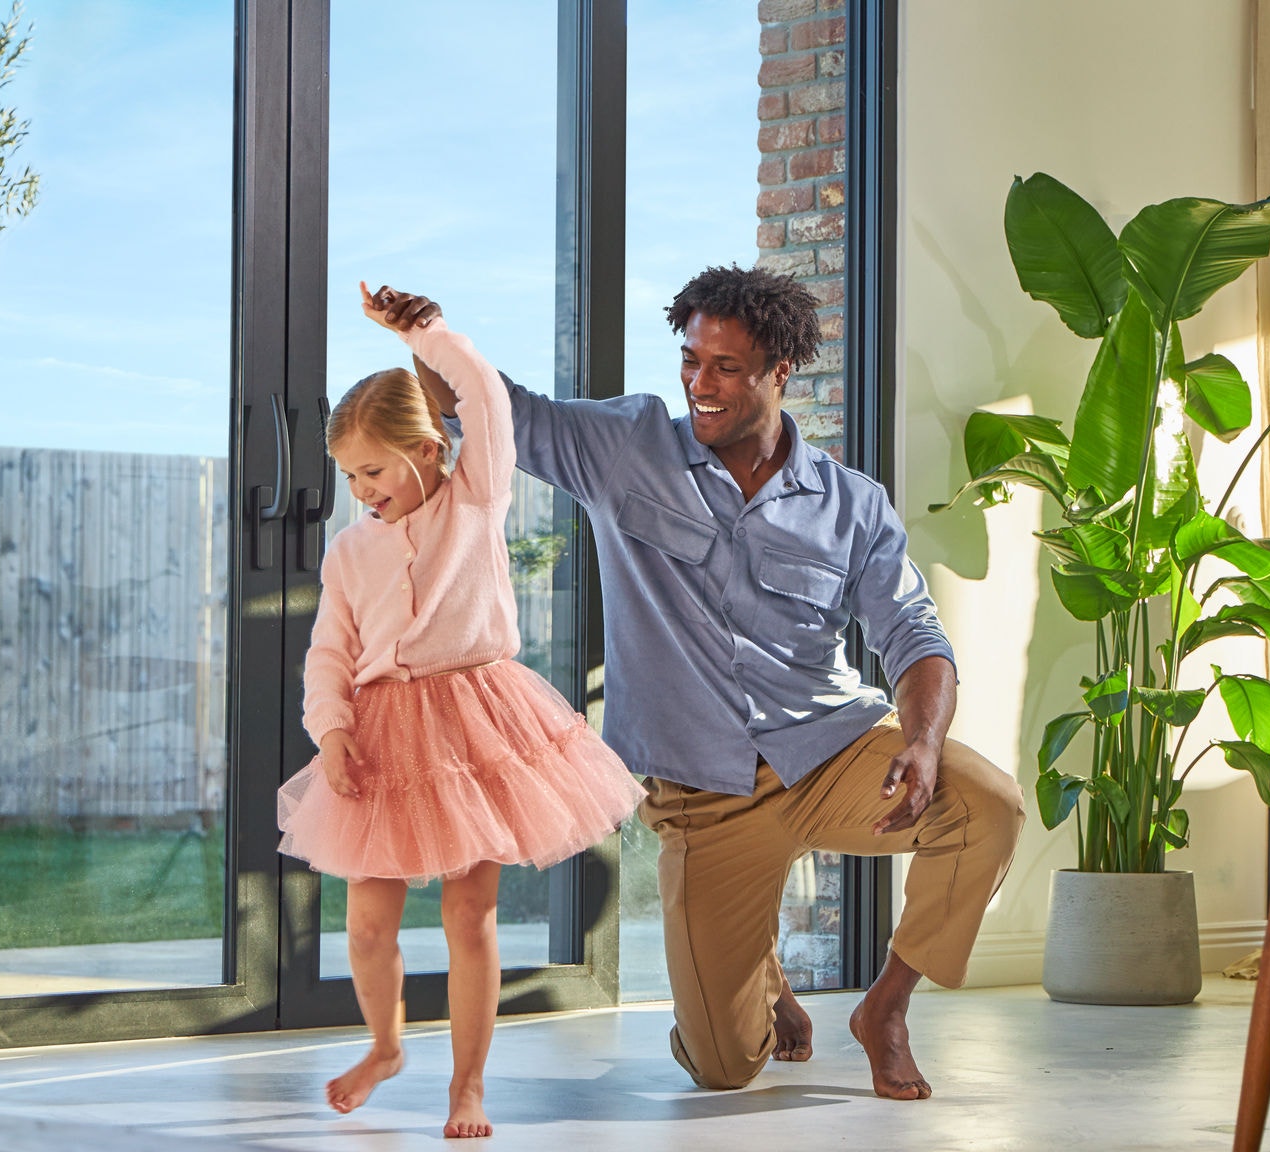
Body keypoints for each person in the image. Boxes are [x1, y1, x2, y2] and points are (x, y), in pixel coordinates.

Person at [399, 266, 1025, 1102]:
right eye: (691, 362)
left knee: (988, 807)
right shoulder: (628, 448)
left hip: (830, 753)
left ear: (778, 373)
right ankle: (762, 979)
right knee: (726, 1070)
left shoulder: (851, 505)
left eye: (727, 368)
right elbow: (486, 410)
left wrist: (922, 739)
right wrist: (427, 335)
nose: (700, 384)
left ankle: (885, 1010)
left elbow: (913, 634)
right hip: (703, 794)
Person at [277, 283, 645, 1139]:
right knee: (368, 926)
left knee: (467, 914)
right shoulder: (349, 553)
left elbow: (482, 397)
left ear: (424, 451)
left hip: (479, 721)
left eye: (372, 471)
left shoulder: (475, 501)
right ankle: (384, 1046)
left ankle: (467, 1086)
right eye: (349, 477)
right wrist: (330, 732)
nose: (361, 490)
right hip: (379, 737)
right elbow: (329, 653)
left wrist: (427, 333)